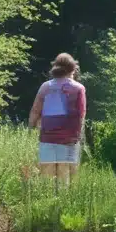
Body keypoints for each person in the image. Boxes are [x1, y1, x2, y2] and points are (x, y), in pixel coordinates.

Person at [29, 53, 86, 184]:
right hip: (69, 138)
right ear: (73, 69)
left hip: (47, 137)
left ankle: (45, 202)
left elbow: (35, 110)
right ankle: (62, 203)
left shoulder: (45, 86)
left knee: (47, 177)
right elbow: (81, 115)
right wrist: (80, 136)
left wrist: (30, 128)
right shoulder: (79, 88)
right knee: (64, 178)